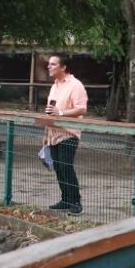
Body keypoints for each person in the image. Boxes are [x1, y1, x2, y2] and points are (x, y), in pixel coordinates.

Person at [41, 52, 87, 215]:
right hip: (53, 133)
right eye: (49, 64)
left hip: (68, 133)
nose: (49, 66)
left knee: (67, 167)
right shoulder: (55, 84)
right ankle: (65, 200)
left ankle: (76, 202)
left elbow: (81, 108)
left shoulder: (76, 85)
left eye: (53, 64)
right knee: (59, 168)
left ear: (63, 67)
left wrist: (60, 113)